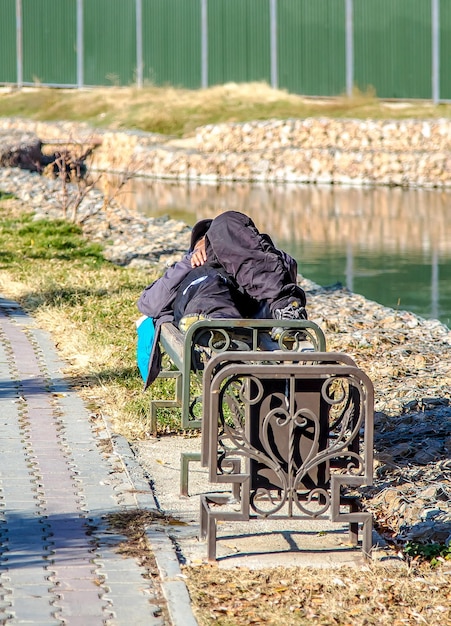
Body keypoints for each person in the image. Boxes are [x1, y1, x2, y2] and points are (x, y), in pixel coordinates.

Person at [137, 211, 307, 387]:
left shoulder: (255, 254)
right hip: (204, 293)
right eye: (206, 238)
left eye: (214, 238)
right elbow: (149, 303)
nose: (213, 242)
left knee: (227, 220)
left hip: (252, 297)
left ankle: (280, 311)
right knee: (209, 286)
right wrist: (192, 259)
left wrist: (261, 247)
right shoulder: (190, 268)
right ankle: (221, 325)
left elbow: (286, 268)